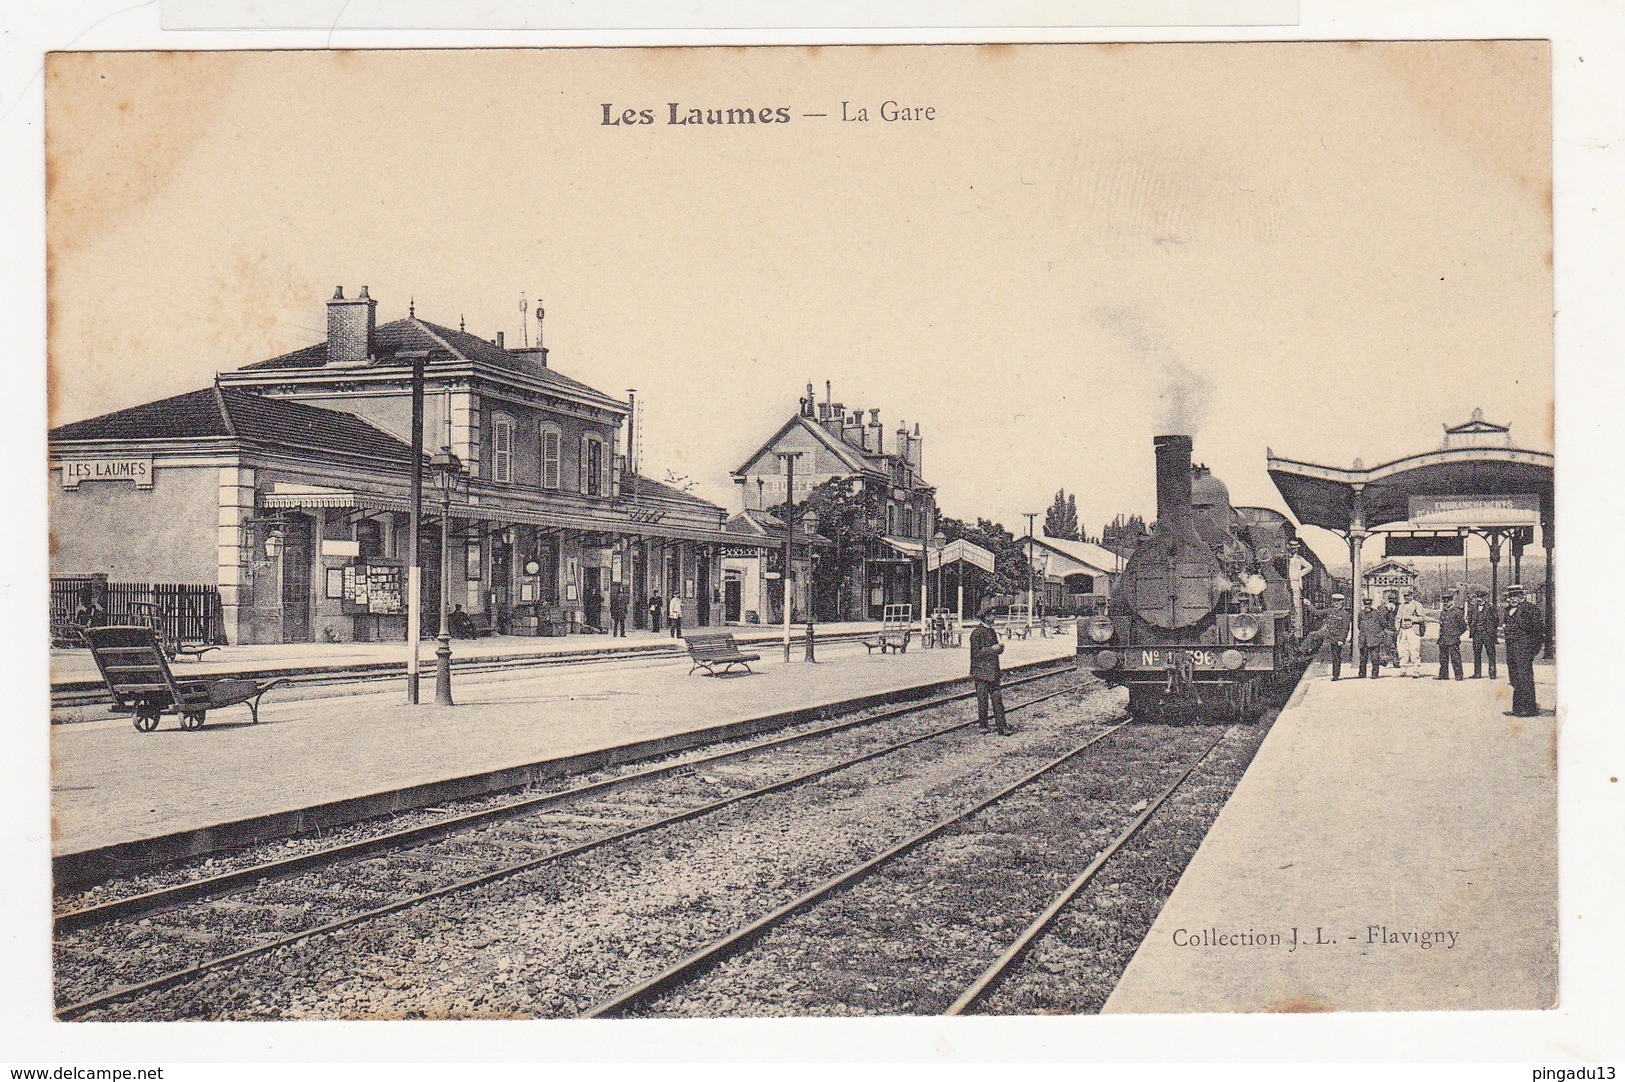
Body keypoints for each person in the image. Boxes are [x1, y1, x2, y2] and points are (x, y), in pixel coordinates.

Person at [1503, 584, 1546, 717]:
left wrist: (1532, 651)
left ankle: (1529, 708)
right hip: (1511, 651)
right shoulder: (1507, 611)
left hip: (1524, 651)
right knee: (1515, 679)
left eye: (1515, 595)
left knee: (1525, 679)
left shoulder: (1530, 609)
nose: (1512, 599)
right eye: (1510, 596)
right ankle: (1517, 708)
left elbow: (1539, 632)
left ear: (1522, 596)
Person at [969, 604, 1011, 734]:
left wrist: (999, 649)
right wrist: (992, 649)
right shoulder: (976, 633)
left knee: (997, 700)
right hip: (981, 672)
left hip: (993, 671)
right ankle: (983, 725)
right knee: (982, 701)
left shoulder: (992, 631)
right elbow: (975, 654)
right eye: (992, 615)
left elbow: (992, 650)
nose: (994, 617)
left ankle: (1002, 727)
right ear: (986, 617)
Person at [1309, 593, 1351, 680]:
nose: (1336, 603)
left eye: (1338, 601)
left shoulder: (1344, 614)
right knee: (1312, 635)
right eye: (1334, 601)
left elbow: (1345, 628)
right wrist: (1309, 605)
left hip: (1336, 638)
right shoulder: (1330, 611)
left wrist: (1341, 640)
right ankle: (1301, 650)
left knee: (1336, 656)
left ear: (1342, 602)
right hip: (1328, 635)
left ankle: (1335, 675)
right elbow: (1318, 613)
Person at [1436, 588, 1467, 680]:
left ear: (1452, 601)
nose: (1446, 603)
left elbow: (1463, 627)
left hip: (1453, 639)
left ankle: (1458, 675)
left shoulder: (1457, 612)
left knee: (1455, 658)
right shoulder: (1443, 612)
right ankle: (1443, 675)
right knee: (1443, 658)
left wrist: (1456, 635)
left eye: (1448, 601)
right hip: (1443, 639)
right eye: (1444, 601)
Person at [1467, 588, 1498, 678]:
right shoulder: (1473, 608)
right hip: (1476, 634)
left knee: (1491, 653)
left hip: (1487, 634)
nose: (1479, 599)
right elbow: (1470, 619)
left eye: (1481, 597)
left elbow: (1496, 620)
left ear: (1485, 598)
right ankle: (1477, 673)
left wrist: (1490, 630)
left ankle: (1492, 672)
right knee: (1476, 653)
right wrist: (1473, 628)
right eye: (1477, 597)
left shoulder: (1491, 607)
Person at [1396, 593, 1426, 675]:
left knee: (1414, 650)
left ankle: (1416, 670)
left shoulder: (1417, 605)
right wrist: (1397, 628)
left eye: (1408, 596)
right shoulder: (1401, 606)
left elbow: (1422, 618)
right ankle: (1403, 669)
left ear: (1412, 596)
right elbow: (1398, 618)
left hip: (1412, 630)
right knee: (1402, 650)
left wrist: (1411, 618)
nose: (1406, 598)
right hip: (1402, 630)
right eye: (1405, 596)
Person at [1357, 597, 1387, 678]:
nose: (1367, 607)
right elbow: (1359, 625)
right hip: (1364, 639)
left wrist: (1377, 633)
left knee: (1375, 658)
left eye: (1369, 605)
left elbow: (1383, 623)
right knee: (1363, 658)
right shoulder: (1361, 614)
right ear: (1363, 605)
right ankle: (1362, 674)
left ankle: (1375, 674)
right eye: (1366, 605)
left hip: (1374, 639)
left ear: (1371, 605)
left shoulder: (1376, 613)